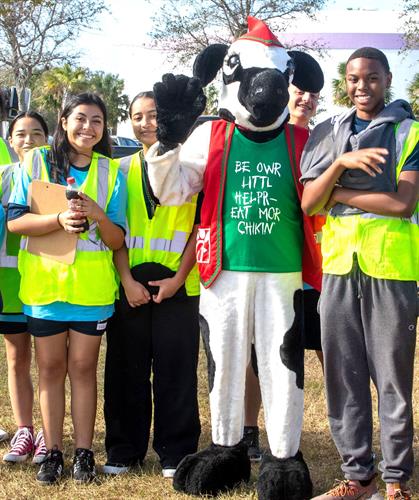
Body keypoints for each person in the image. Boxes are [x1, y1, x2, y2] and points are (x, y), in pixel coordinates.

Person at [300, 47, 418, 500]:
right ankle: (358, 476)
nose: (361, 86)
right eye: (352, 78)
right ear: (343, 83)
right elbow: (310, 202)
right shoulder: (331, 131)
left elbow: (402, 203)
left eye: (371, 77)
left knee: (391, 378)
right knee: (343, 377)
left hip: (391, 270)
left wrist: (340, 193)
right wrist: (341, 164)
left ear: (388, 79)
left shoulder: (410, 133)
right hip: (339, 270)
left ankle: (395, 481)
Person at [7, 93, 127, 485]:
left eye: (97, 121)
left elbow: (116, 239)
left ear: (104, 128)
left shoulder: (112, 173)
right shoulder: (37, 162)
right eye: (80, 118)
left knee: (82, 369)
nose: (87, 128)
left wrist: (97, 214)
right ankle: (53, 452)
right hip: (44, 291)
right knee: (50, 369)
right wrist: (58, 218)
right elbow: (15, 223)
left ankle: (84, 454)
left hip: (91, 294)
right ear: (63, 121)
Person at [103, 91, 201, 478]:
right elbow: (114, 231)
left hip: (178, 283)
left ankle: (176, 451)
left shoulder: (193, 167)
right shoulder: (118, 169)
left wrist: (178, 279)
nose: (146, 123)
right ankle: (124, 450)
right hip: (130, 284)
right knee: (126, 370)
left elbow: (201, 227)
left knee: (176, 372)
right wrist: (126, 280)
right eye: (137, 116)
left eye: (154, 115)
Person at [241, 77, 325, 462]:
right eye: (298, 91)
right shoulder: (263, 139)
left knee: (330, 353)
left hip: (316, 272)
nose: (305, 99)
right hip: (273, 269)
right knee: (260, 358)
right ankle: (249, 432)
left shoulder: (324, 139)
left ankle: (350, 441)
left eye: (313, 94)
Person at [0, 112, 49, 464]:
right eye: (21, 134)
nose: (28, 139)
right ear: (10, 139)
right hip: (9, 284)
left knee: (51, 364)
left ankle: (48, 432)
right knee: (17, 358)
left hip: (48, 285)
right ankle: (24, 430)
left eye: (36, 133)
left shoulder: (55, 178)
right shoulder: (3, 177)